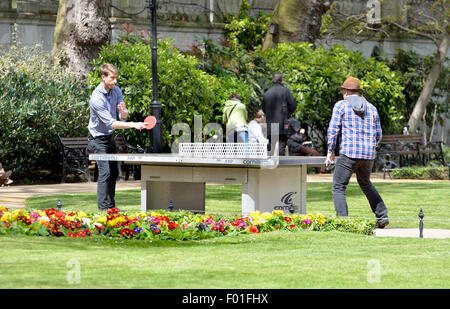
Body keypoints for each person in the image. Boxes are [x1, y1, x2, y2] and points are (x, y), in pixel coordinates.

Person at [325, 76, 389, 228]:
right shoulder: (372, 108)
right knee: (366, 184)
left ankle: (343, 222)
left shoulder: (341, 106)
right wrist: (369, 147)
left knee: (338, 187)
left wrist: (330, 151)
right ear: (358, 92)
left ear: (346, 91)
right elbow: (379, 134)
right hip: (368, 155)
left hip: (349, 153)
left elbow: (333, 130)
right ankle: (382, 216)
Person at [88, 63, 146, 211]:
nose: (115, 81)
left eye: (116, 78)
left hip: (109, 137)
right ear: (103, 77)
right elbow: (112, 123)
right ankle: (103, 209)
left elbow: (123, 115)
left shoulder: (116, 90)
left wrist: (124, 112)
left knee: (114, 172)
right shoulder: (96, 98)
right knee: (105, 172)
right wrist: (134, 125)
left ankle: (111, 207)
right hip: (97, 139)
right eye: (112, 78)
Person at [262, 72, 297, 156]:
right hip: (282, 123)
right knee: (281, 145)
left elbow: (264, 108)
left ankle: (270, 166)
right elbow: (293, 105)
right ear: (281, 80)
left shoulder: (267, 93)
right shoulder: (286, 91)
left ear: (272, 80)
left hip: (271, 123)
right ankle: (280, 166)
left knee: (272, 145)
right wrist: (287, 114)